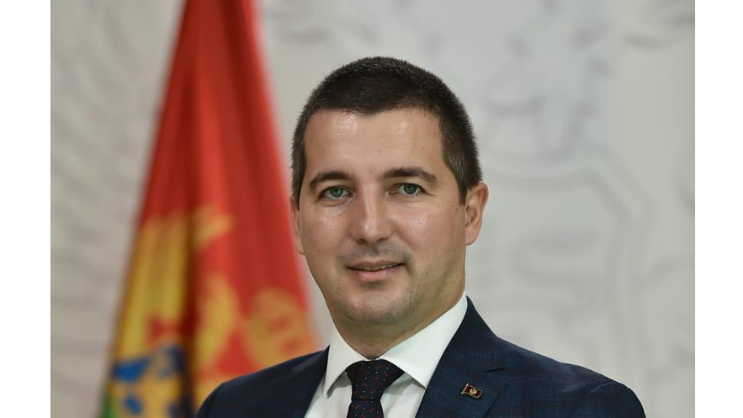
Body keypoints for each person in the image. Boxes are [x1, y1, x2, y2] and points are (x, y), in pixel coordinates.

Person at [197, 57, 645, 418]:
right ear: (297, 223)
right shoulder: (232, 408)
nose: (369, 227)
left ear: (470, 213)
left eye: (407, 188)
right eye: (336, 191)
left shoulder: (577, 409)